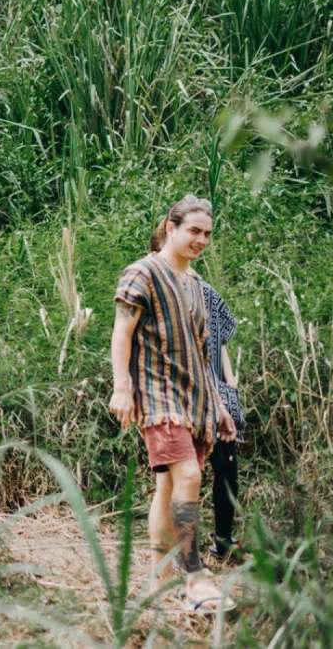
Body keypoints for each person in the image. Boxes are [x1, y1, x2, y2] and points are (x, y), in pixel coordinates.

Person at [108, 194, 238, 614]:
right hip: (158, 395)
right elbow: (121, 333)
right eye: (193, 231)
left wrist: (218, 404)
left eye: (207, 234)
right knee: (188, 477)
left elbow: (204, 353)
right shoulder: (143, 272)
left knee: (169, 487)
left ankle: (159, 580)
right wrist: (122, 386)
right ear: (171, 227)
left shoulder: (198, 286)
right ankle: (195, 576)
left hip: (196, 399)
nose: (200, 240)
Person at [200, 279, 244, 562]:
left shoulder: (205, 292)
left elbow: (222, 342)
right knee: (182, 474)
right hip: (183, 393)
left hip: (217, 390)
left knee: (227, 466)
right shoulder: (158, 287)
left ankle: (223, 540)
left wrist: (230, 382)